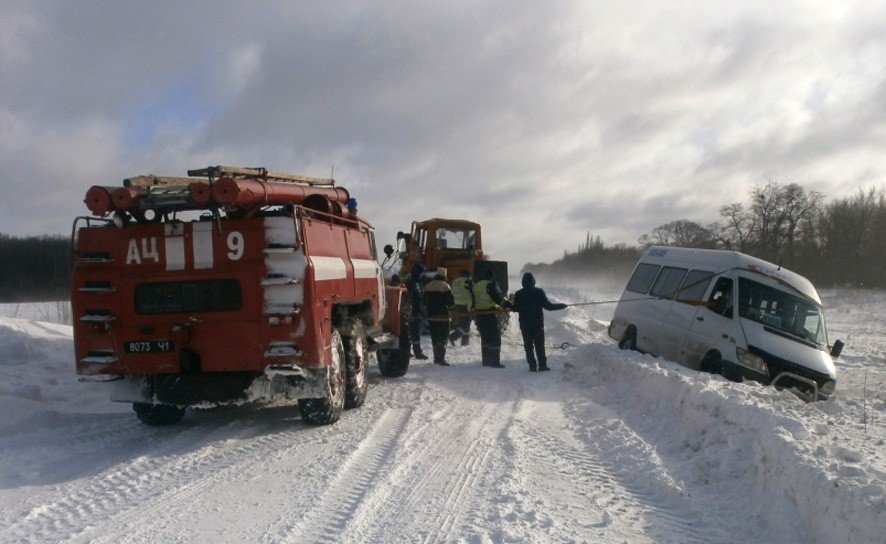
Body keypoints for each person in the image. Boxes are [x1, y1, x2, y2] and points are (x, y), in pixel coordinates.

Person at [512, 273, 567, 372]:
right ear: (533, 281)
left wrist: (509, 305)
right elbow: (549, 307)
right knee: (539, 345)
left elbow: (515, 308)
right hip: (537, 324)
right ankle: (542, 365)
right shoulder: (539, 292)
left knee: (528, 346)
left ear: (523, 282)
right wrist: (561, 306)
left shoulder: (518, 294)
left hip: (525, 324)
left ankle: (532, 366)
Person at [472, 269, 511, 368]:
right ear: (491, 277)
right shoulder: (490, 284)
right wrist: (509, 305)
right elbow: (497, 298)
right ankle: (495, 362)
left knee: (485, 337)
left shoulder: (476, 285)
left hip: (478, 314)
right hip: (489, 313)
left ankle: (486, 360)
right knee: (495, 337)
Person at [423, 273, 455, 366]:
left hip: (431, 316)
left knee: (435, 337)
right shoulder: (445, 286)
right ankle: (441, 359)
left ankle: (436, 358)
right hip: (443, 316)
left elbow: (424, 302)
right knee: (443, 337)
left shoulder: (428, 286)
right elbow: (450, 302)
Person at [406, 263, 428, 359]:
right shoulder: (410, 282)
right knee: (412, 332)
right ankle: (416, 352)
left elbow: (420, 296)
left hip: (417, 310)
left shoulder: (418, 282)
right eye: (422, 273)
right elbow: (410, 297)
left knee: (415, 332)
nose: (423, 275)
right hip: (412, 311)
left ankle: (413, 351)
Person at [448, 270, 474, 346]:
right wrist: (474, 305)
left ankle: (465, 342)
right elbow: (473, 292)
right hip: (465, 304)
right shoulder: (468, 281)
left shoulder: (455, 281)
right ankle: (453, 337)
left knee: (465, 322)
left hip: (456, 304)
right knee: (465, 323)